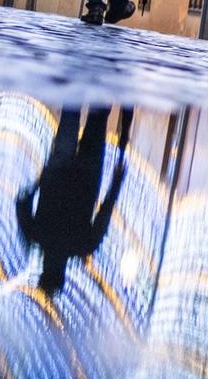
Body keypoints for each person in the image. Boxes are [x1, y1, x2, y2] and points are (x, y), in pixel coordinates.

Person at [15, 104, 129, 296]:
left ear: (62, 273)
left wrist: (116, 182)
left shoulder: (84, 246)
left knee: (98, 118)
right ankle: (80, 76)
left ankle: (104, 79)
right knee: (71, 113)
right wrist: (41, 181)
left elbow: (105, 212)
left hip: (88, 176)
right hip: (58, 169)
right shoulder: (35, 236)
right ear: (44, 270)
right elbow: (21, 203)